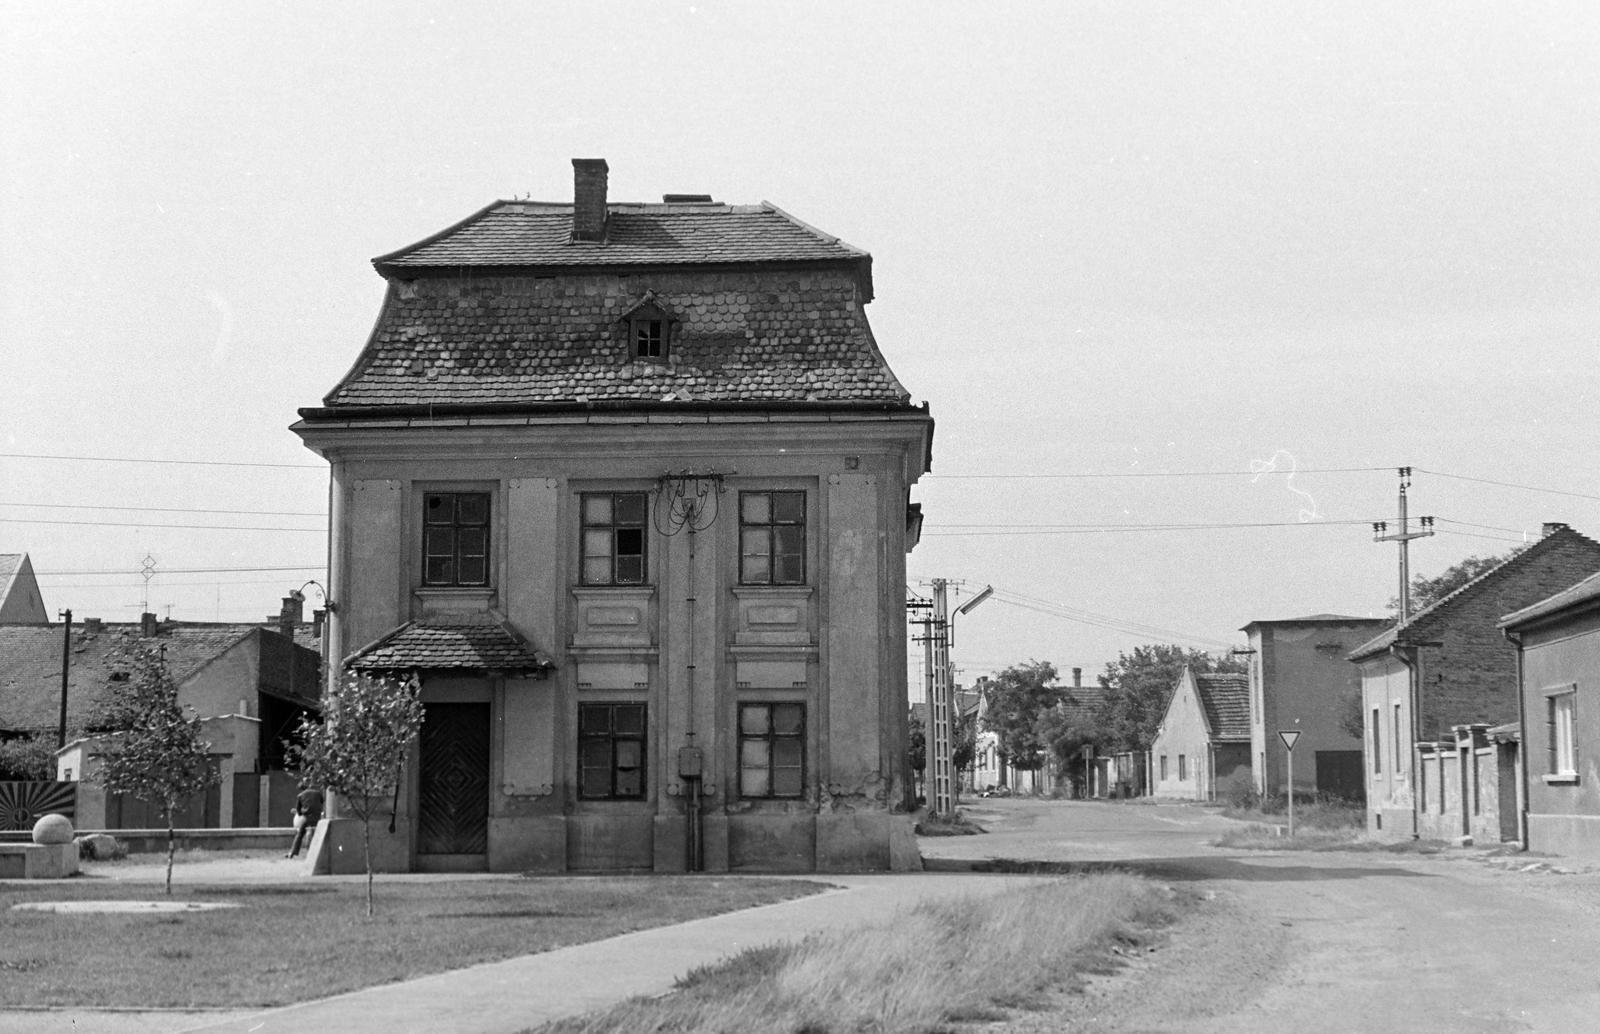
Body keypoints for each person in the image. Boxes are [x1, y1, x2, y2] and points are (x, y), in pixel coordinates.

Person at [286, 783, 324, 859]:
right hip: (318, 817)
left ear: (301, 789)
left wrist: (301, 812)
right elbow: (322, 801)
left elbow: (299, 810)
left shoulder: (300, 796)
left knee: (300, 834)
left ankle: (293, 853)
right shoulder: (318, 793)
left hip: (307, 818)